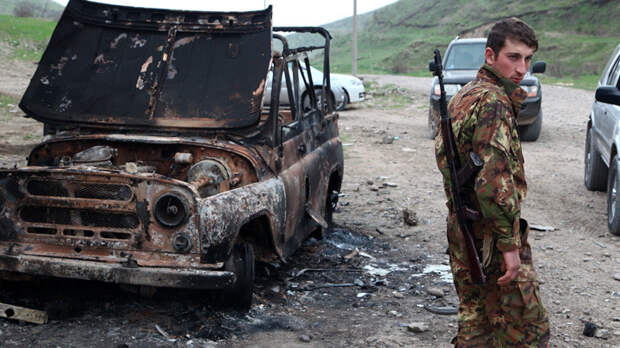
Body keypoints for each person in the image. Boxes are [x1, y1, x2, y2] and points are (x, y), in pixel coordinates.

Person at [435, 18, 550, 347]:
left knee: (477, 320)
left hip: (463, 225)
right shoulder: (494, 103)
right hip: (488, 234)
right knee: (528, 329)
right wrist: (509, 247)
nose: (521, 68)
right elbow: (493, 181)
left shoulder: (465, 96)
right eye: (513, 57)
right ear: (490, 55)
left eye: (528, 59)